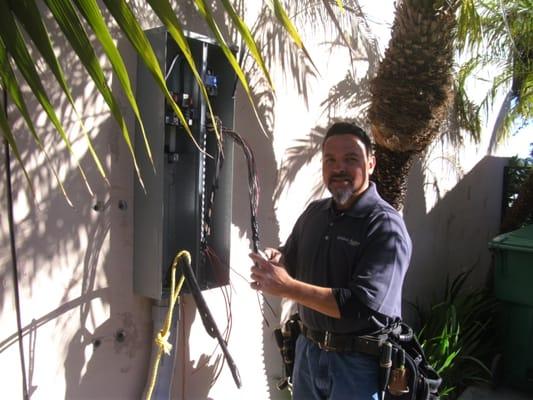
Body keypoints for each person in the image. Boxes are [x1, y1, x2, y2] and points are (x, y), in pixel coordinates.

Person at [249, 121, 412, 400]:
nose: (339, 168)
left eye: (351, 159)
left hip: (358, 367)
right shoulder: (315, 214)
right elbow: (292, 258)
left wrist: (287, 287)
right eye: (330, 160)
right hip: (308, 354)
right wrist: (278, 261)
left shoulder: (385, 226)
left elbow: (360, 306)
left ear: (371, 164)